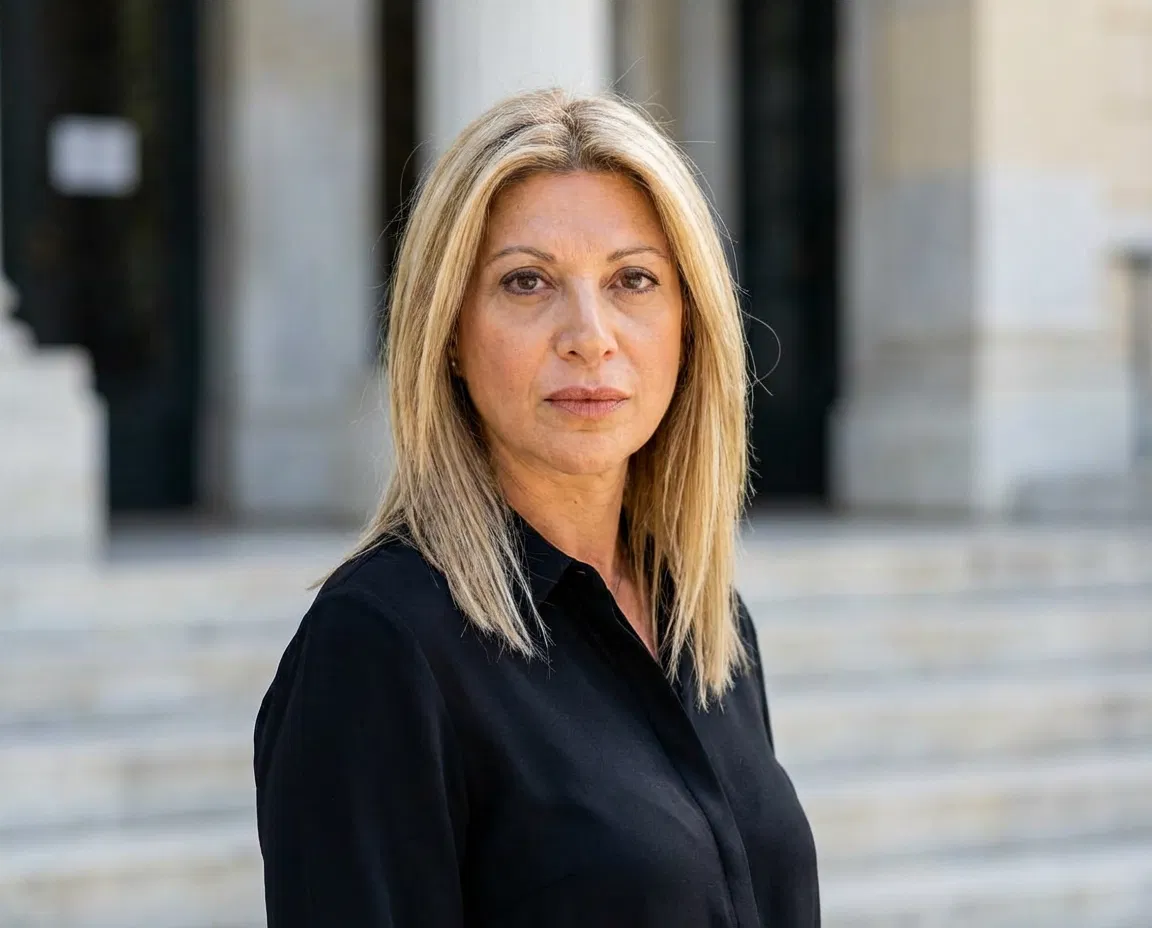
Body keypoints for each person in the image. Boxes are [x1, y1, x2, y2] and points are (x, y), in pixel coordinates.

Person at [254, 88, 820, 927]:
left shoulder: (711, 626)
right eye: (526, 282)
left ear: (689, 323)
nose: (590, 334)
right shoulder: (379, 646)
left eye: (633, 280)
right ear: (448, 331)